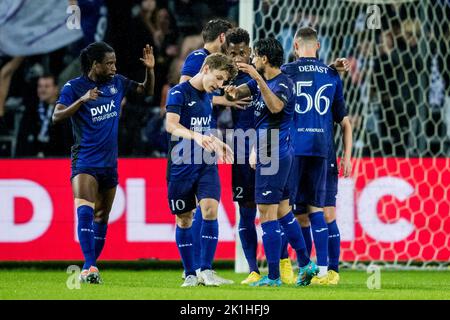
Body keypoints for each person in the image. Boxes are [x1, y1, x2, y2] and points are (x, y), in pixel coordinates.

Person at [53, 41, 155, 284]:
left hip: (109, 163)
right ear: (94, 64)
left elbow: (146, 91)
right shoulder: (74, 87)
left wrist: (150, 70)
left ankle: (91, 267)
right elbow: (57, 116)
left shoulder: (117, 82)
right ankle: (89, 266)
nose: (113, 67)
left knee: (102, 216)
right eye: (108, 63)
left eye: (114, 62)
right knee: (85, 211)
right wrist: (82, 100)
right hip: (85, 160)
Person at [225, 38, 317, 287]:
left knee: (266, 214)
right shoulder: (262, 83)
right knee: (283, 211)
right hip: (271, 150)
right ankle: (307, 265)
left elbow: (276, 107)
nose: (253, 59)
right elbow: (242, 92)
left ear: (264, 59)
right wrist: (233, 91)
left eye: (255, 56)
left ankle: (274, 276)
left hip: (274, 152)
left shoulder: (283, 83)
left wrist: (256, 77)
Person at [179, 19, 248, 282]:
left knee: (208, 206)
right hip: (189, 144)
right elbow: (185, 90)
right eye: (229, 39)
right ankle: (195, 268)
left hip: (207, 138)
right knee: (191, 212)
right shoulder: (199, 57)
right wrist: (227, 100)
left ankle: (203, 268)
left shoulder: (214, 62)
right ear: (222, 37)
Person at [281, 27, 350, 284]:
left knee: (288, 211)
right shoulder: (332, 75)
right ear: (318, 45)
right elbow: (344, 119)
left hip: (294, 148)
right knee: (317, 210)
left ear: (296, 46)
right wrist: (348, 156)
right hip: (322, 149)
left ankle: (300, 267)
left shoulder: (287, 71)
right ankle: (322, 271)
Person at [165, 53, 237, 287]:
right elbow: (171, 125)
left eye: (223, 82)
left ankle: (206, 270)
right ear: (205, 68)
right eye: (218, 78)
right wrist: (196, 136)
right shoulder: (178, 92)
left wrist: (217, 142)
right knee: (184, 220)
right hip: (181, 164)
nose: (220, 85)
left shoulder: (208, 96)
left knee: (209, 209)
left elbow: (204, 129)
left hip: (206, 162)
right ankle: (189, 274)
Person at [17, 74, 73, 157]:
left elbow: (68, 141)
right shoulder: (30, 110)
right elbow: (21, 139)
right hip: (31, 161)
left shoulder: (64, 110)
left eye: (46, 86)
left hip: (57, 160)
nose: (42, 90)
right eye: (40, 86)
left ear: (56, 89)